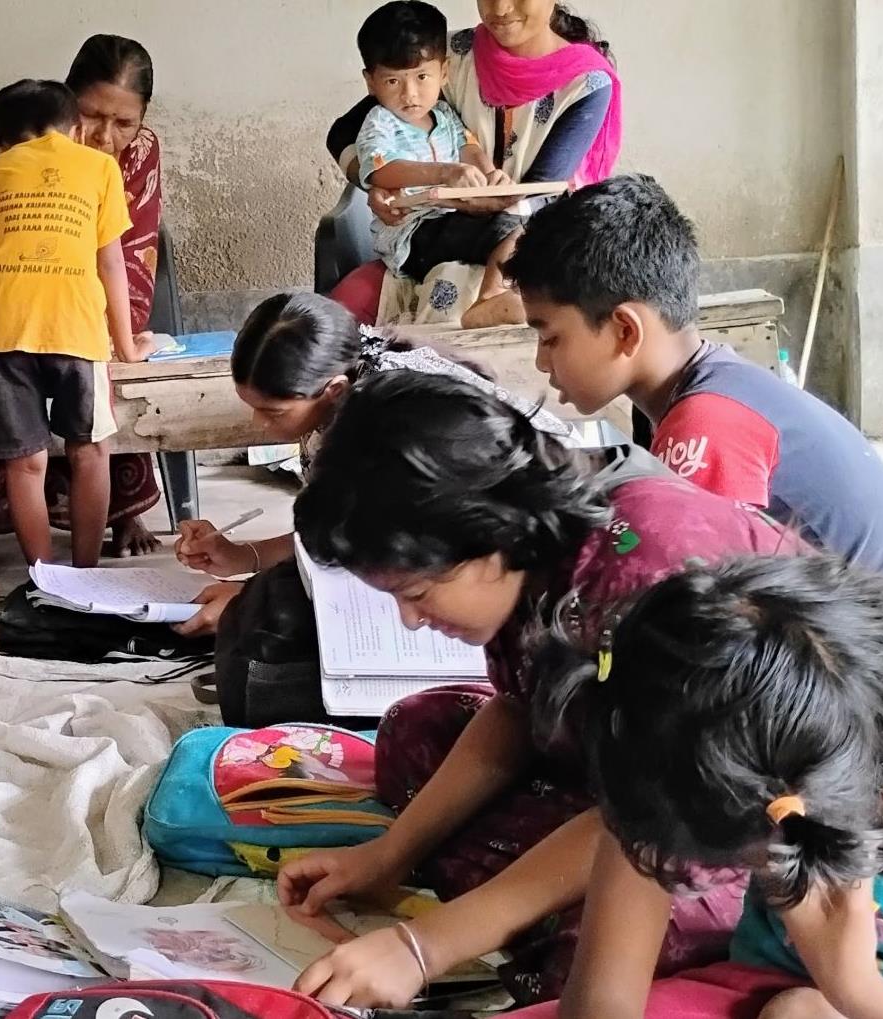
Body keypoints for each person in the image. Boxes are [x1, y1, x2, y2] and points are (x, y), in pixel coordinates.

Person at [273, 369, 802, 1008]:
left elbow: (652, 822)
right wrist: (388, 853)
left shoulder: (647, 570)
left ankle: (520, 909)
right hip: (620, 775)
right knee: (416, 731)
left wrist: (425, 945)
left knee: (599, 956)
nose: (410, 620)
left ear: (492, 536)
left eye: (416, 593)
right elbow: (520, 708)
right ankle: (515, 901)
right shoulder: (531, 564)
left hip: (722, 817)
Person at [520, 556, 883, 1019]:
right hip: (769, 989)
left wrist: (855, 988)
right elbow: (601, 1004)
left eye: (759, 858)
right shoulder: (691, 703)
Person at [509, 174, 883, 608]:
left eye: (551, 337)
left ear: (624, 330)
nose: (542, 361)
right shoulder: (713, 386)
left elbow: (685, 602)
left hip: (866, 663)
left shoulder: (708, 423)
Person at [171, 291, 568, 636]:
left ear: (333, 391)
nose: (259, 423)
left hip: (530, 553)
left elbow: (380, 558)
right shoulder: (353, 386)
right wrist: (245, 556)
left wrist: (250, 604)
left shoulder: (386, 427)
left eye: (273, 411)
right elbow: (340, 537)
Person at [0, 33, 168, 559]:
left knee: (54, 443)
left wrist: (117, 329)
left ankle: (104, 531)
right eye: (94, 117)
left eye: (124, 123)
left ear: (142, 120)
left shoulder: (133, 158)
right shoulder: (15, 152)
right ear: (69, 108)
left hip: (70, 307)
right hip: (19, 306)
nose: (105, 137)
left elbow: (132, 254)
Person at [325, 0, 622, 327]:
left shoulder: (586, 84)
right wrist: (375, 183)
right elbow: (344, 132)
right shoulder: (450, 53)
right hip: (429, 230)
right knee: (327, 322)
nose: (501, 8)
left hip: (521, 247)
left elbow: (542, 194)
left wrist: (485, 199)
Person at [0, 78, 147, 567]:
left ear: (1, 142)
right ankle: (84, 572)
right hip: (79, 332)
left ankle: (43, 577)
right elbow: (112, 263)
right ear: (76, 130)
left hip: (9, 335)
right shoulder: (101, 167)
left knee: (25, 462)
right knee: (90, 453)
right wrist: (127, 347)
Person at [350, 2, 528, 328]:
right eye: (393, 81)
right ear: (370, 82)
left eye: (422, 77)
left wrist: (490, 175)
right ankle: (490, 300)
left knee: (521, 227)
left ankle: (495, 295)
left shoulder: (444, 116)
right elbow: (380, 169)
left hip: (450, 218)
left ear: (443, 73)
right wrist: (446, 173)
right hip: (415, 233)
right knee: (503, 232)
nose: (410, 93)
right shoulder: (379, 122)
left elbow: (468, 148)